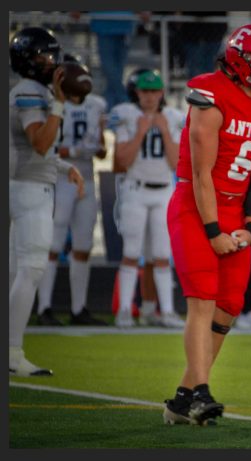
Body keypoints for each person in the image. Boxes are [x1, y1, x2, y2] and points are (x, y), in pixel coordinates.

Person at [163, 24, 251, 425]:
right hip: (195, 204)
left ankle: (183, 397)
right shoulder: (209, 94)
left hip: (237, 210)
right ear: (241, 62)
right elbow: (202, 174)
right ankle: (202, 393)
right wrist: (212, 231)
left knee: (230, 307)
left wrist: (250, 227)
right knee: (202, 301)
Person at [9, 27, 85, 376]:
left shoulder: (27, 90)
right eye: (44, 56)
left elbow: (33, 149)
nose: (52, 63)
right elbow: (39, 142)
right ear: (28, 59)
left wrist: (64, 165)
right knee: (32, 268)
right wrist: (57, 102)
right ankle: (11, 351)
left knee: (15, 271)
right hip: (28, 189)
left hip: (24, 182)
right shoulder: (30, 91)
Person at [36, 54, 108, 327]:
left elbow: (101, 151)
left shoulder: (96, 105)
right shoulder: (51, 104)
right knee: (53, 245)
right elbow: (46, 146)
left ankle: (79, 309)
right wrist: (77, 150)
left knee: (84, 246)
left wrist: (96, 147)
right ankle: (44, 308)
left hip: (86, 181)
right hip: (60, 178)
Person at [110, 69, 186, 329]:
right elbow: (121, 161)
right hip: (135, 189)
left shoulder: (173, 118)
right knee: (131, 252)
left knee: (163, 255)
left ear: (162, 92)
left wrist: (164, 132)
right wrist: (141, 132)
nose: (150, 96)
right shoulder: (127, 116)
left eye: (154, 91)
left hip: (164, 189)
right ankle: (123, 311)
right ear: (137, 92)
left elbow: (176, 163)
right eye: (145, 91)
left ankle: (165, 312)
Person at [69, 11, 151, 110]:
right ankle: (124, 102)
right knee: (110, 69)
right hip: (104, 25)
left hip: (124, 26)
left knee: (117, 72)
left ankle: (111, 108)